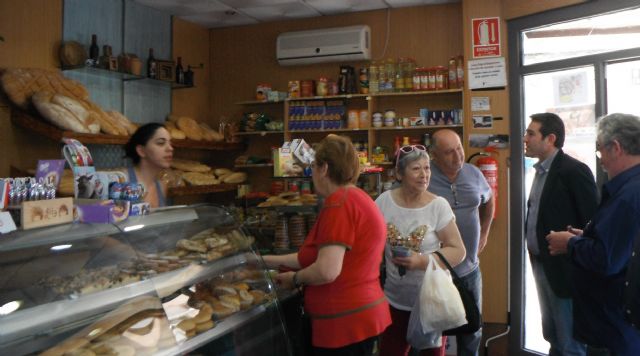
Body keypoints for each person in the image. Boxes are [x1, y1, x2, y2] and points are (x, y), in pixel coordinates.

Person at [262, 134, 391, 355]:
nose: (312, 173)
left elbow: (326, 270)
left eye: (313, 167)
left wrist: (294, 279)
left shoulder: (338, 204)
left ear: (324, 168)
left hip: (344, 323)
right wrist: (262, 261)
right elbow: (310, 258)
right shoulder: (357, 197)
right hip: (361, 315)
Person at [546, 113, 640, 356]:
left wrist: (571, 244)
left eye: (600, 151)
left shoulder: (628, 196)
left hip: (615, 326)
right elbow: (623, 244)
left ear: (616, 148)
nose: (601, 161)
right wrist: (587, 237)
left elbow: (607, 260)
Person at [376, 144, 466, 356]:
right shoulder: (383, 202)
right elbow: (372, 245)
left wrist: (422, 261)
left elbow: (458, 251)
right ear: (399, 173)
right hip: (394, 301)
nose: (424, 175)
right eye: (416, 169)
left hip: (431, 302)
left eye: (427, 168)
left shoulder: (438, 205)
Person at [522, 113, 598, 356]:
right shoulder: (540, 171)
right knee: (552, 335)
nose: (525, 138)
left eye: (531, 133)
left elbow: (593, 222)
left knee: (570, 342)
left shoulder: (574, 171)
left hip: (565, 270)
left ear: (550, 138)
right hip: (541, 264)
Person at [426, 129, 495, 356]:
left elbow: (489, 199)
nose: (458, 156)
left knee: (472, 328)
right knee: (435, 331)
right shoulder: (424, 177)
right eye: (449, 152)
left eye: (459, 148)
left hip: (470, 269)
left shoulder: (474, 173)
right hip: (436, 271)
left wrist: (484, 232)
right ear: (434, 155)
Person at [123, 123, 173, 208]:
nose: (170, 148)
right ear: (141, 151)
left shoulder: (162, 186)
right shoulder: (122, 180)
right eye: (161, 143)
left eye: (170, 143)